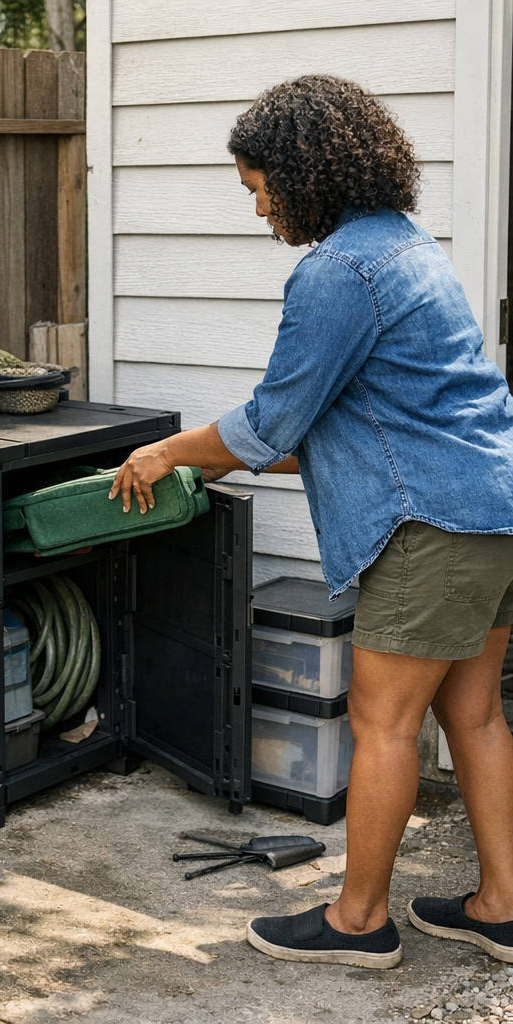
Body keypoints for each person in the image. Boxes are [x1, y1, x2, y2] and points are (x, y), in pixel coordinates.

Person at [109, 74, 513, 969]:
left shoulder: (338, 273)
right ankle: (500, 907)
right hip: (492, 508)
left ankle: (358, 924)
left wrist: (168, 452)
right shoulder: (407, 247)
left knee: (381, 723)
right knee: (475, 716)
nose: (258, 210)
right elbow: (357, 424)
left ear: (304, 173)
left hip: (433, 525)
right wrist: (230, 450)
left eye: (259, 189)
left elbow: (272, 424)